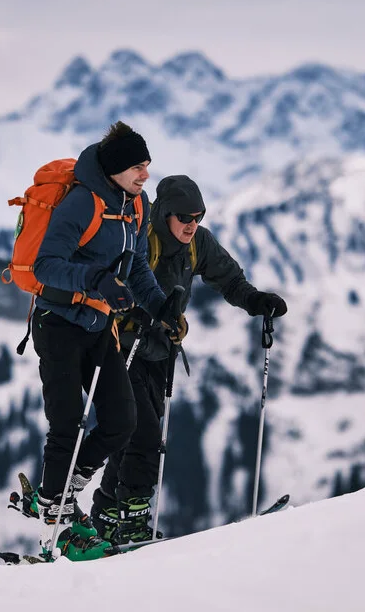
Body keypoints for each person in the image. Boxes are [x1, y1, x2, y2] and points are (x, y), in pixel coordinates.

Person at [90, 174, 288, 545]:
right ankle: (131, 524)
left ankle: (104, 519)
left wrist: (257, 301)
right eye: (184, 217)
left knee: (130, 436)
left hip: (159, 353)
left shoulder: (197, 243)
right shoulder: (136, 238)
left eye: (198, 216)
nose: (191, 224)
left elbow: (229, 280)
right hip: (120, 347)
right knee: (144, 435)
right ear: (164, 214)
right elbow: (108, 285)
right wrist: (140, 311)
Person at [28, 121, 172, 558]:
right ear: (113, 169)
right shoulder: (81, 203)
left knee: (121, 422)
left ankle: (61, 489)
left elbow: (140, 266)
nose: (145, 174)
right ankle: (54, 523)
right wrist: (96, 280)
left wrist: (160, 306)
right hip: (59, 324)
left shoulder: (137, 205)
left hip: (98, 327)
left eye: (147, 165)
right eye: (136, 166)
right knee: (67, 421)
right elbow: (45, 266)